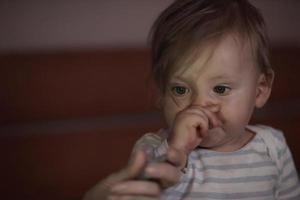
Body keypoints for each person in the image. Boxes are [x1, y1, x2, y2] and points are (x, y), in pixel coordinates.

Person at [83, 0, 300, 199]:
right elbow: (142, 190)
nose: (199, 105)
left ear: (259, 91)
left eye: (221, 88)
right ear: (161, 94)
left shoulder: (273, 147)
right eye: (180, 90)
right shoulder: (153, 149)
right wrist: (178, 149)